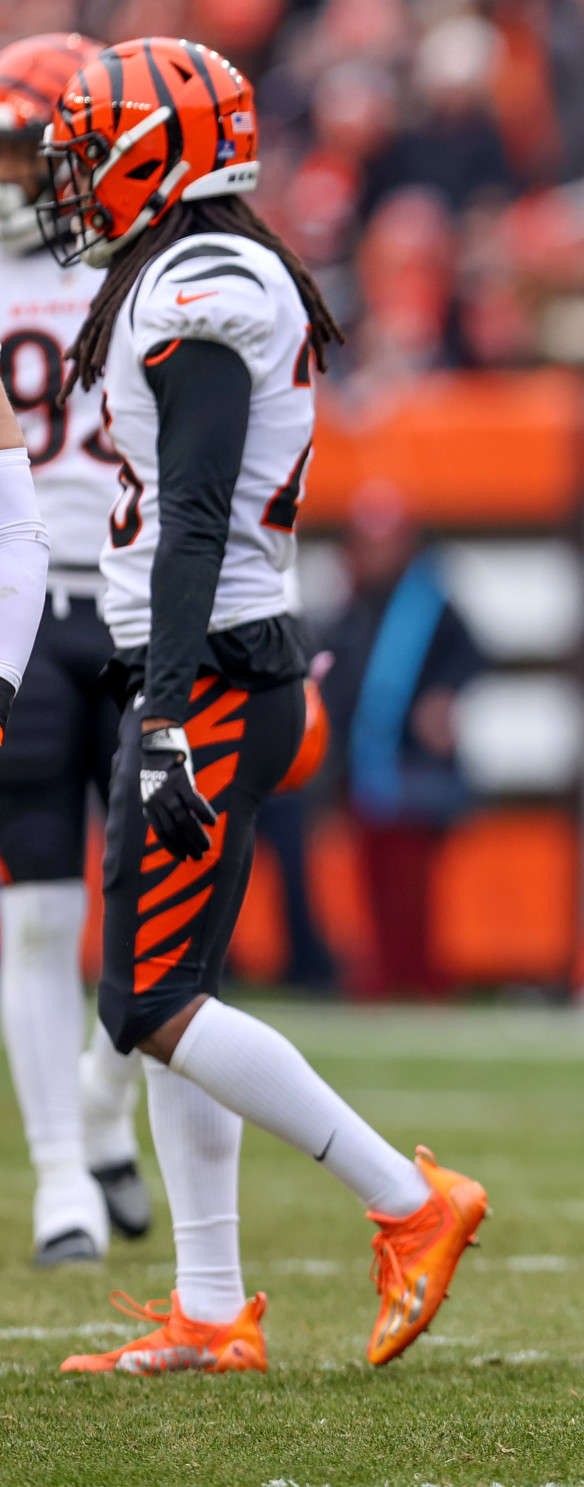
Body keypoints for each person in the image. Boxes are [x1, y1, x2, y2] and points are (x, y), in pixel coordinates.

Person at [37, 38, 486, 1377]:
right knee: (181, 999)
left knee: (148, 1001)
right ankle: (212, 1304)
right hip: (222, 664)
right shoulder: (193, 267)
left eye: (94, 148)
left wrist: (168, 714)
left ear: (157, 152)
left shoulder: (206, 282)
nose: (74, 178)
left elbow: (189, 518)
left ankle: (410, 1202)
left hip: (212, 674)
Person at [0, 30, 155, 1267]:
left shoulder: (167, 261)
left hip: (146, 600)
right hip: (28, 606)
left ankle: (105, 1109)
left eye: (21, 143)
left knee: (165, 898)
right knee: (40, 913)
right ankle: (60, 1168)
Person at [318, 489, 484, 999]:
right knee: (373, 878)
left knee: (411, 883)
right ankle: (386, 969)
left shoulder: (430, 603)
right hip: (367, 767)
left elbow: (473, 656)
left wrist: (445, 697)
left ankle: (417, 974)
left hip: (414, 769)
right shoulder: (353, 604)